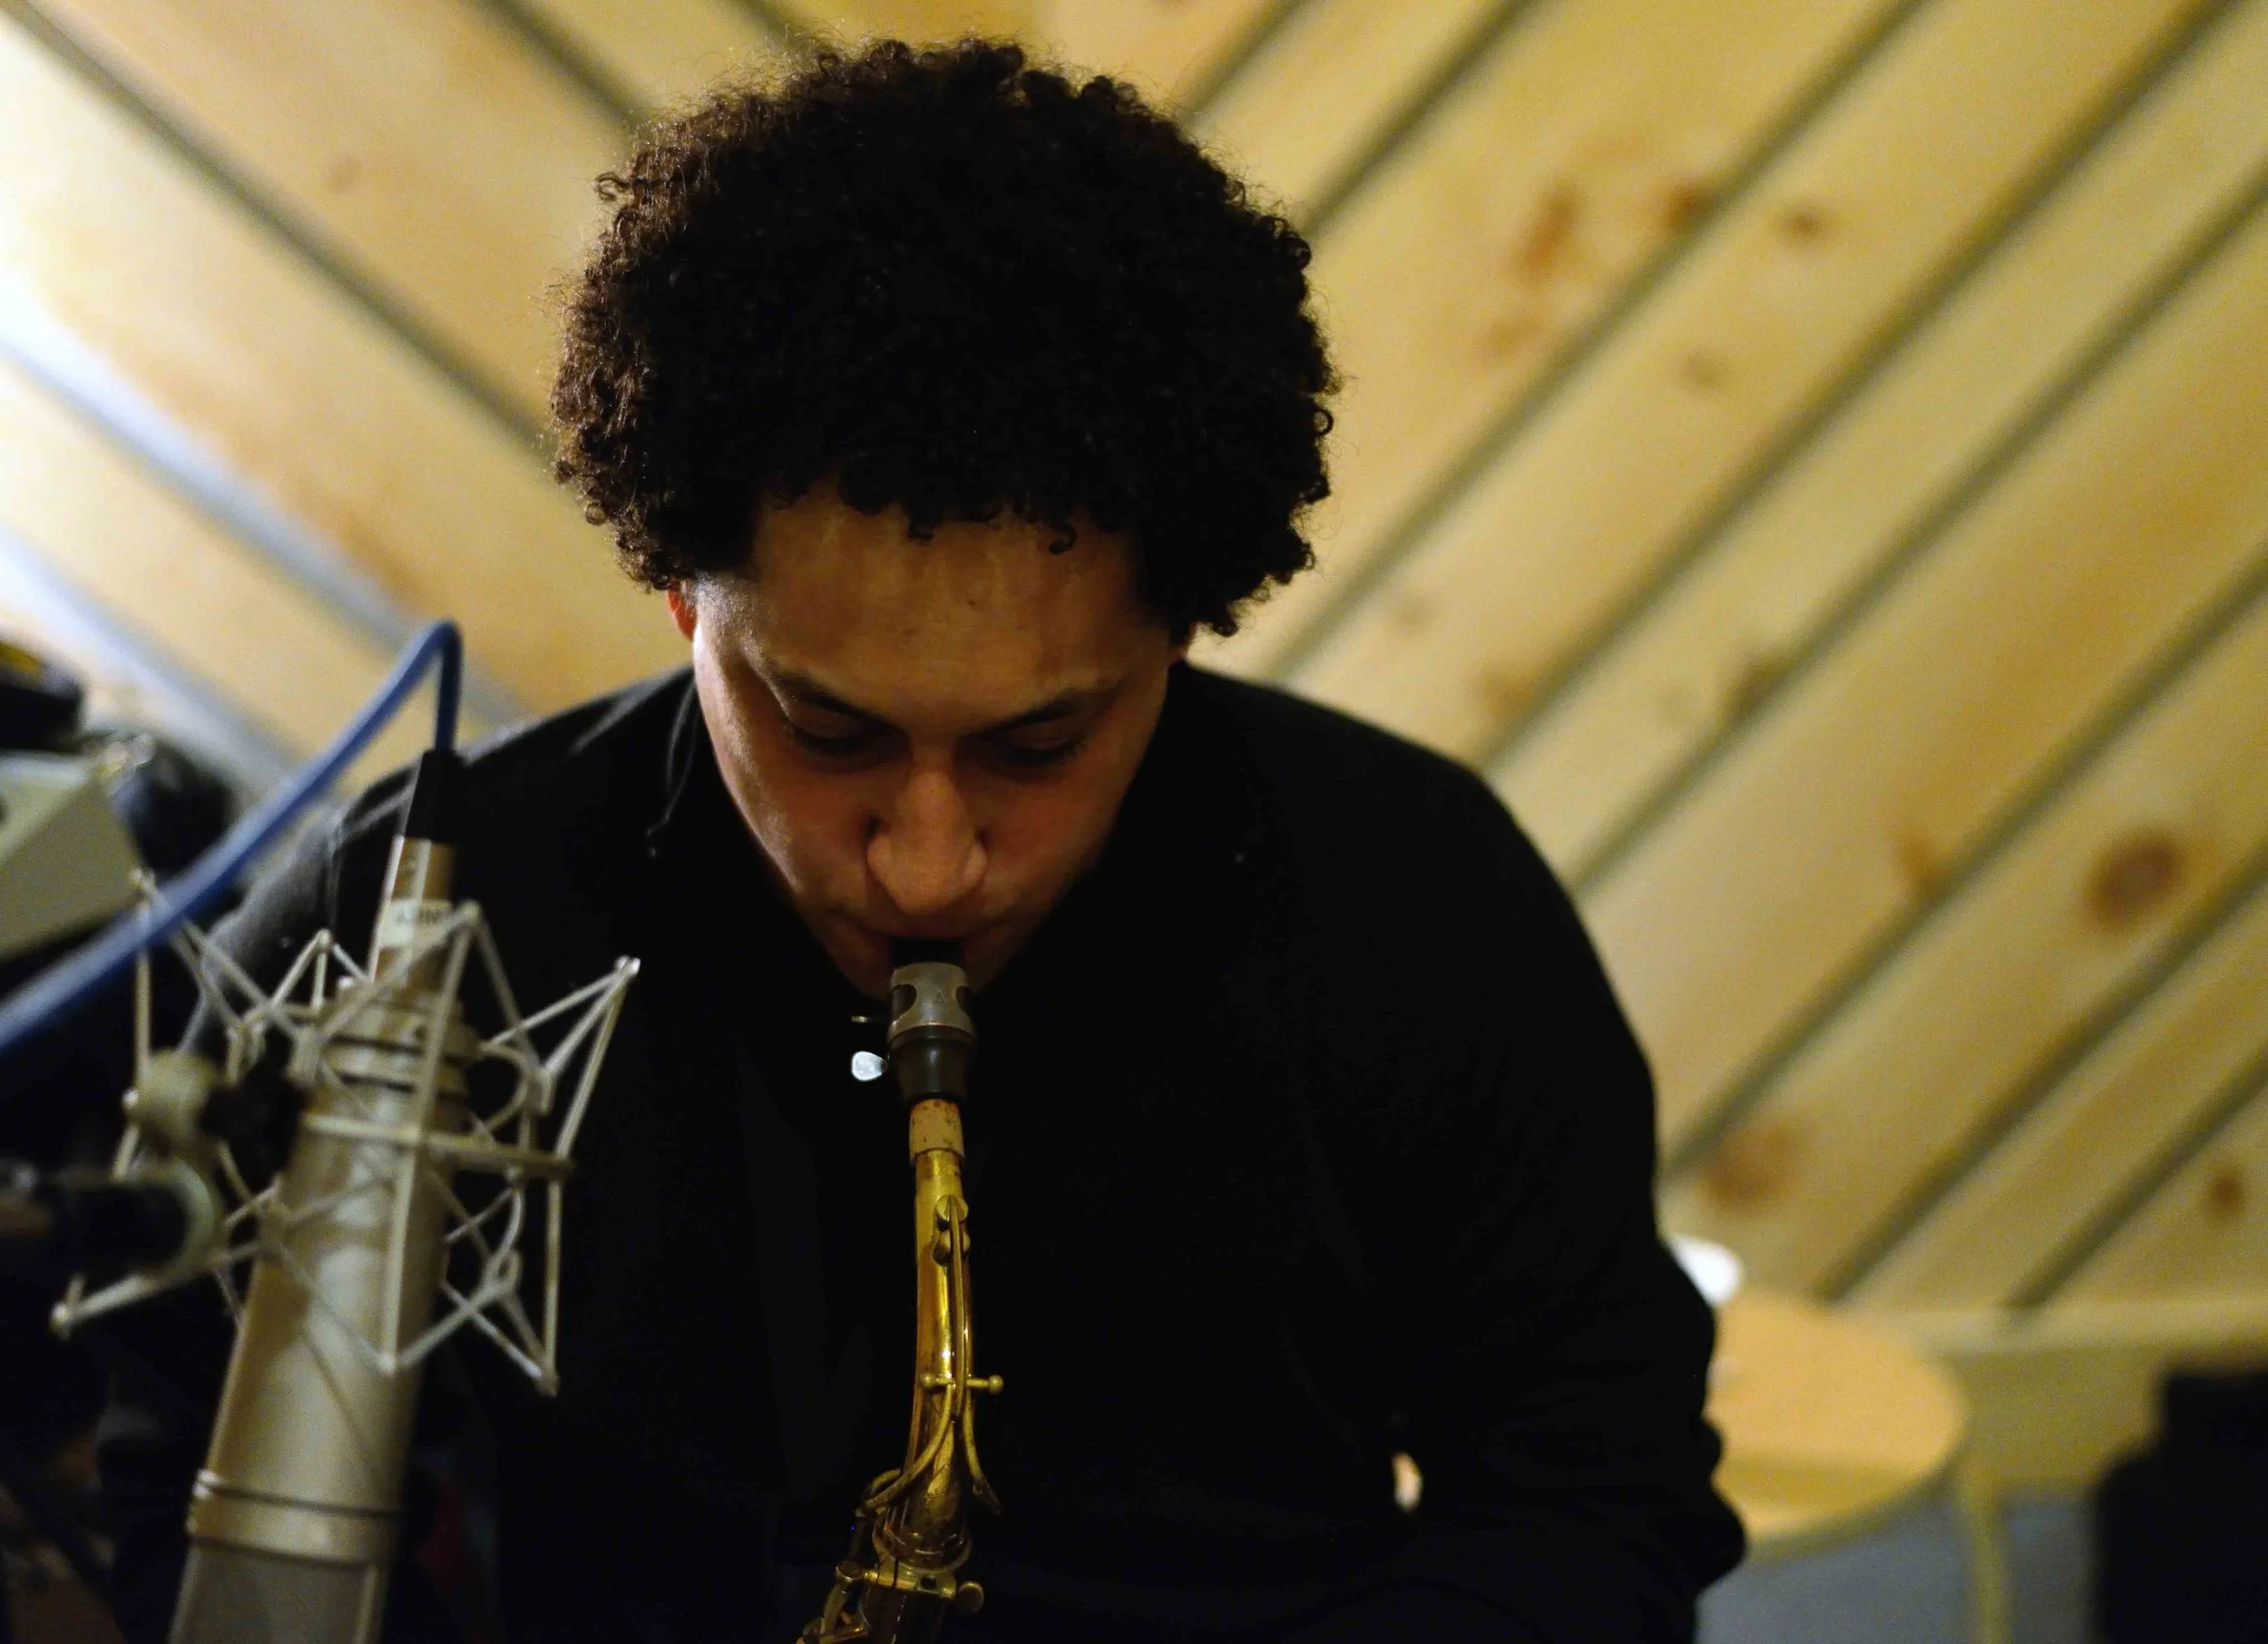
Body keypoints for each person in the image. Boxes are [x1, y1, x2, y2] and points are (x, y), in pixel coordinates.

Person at [101, 38, 1743, 1642]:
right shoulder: (417, 922)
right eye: (828, 731)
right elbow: (156, 1462)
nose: (930, 863)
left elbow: (1593, 1494)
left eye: (1041, 743)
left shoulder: (1420, 904)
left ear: (1184, 628)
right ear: (680, 595)